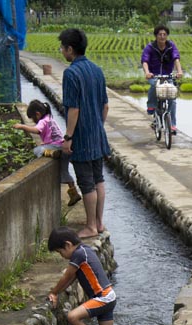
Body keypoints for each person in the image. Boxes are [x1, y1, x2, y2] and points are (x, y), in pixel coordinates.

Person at [59, 28, 110, 239]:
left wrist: (68, 137)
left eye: (62, 47)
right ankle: (99, 223)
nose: (62, 51)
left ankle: (89, 226)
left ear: (70, 49)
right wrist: (97, 125)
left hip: (82, 137)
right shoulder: (97, 70)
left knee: (86, 183)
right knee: (99, 179)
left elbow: (74, 109)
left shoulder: (71, 73)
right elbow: (105, 106)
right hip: (98, 134)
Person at [47, 227, 117, 325]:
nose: (61, 256)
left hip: (102, 298)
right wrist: (57, 292)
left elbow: (67, 277)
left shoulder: (78, 254)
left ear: (68, 245)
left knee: (73, 317)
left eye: (59, 251)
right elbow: (72, 278)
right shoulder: (86, 250)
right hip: (109, 296)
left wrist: (54, 292)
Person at [12, 100, 82, 207]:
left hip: (55, 147)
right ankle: (74, 193)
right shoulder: (50, 118)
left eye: (32, 118)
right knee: (64, 171)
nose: (33, 121)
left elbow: (36, 130)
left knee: (37, 150)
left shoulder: (42, 121)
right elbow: (52, 135)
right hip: (63, 146)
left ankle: (51, 153)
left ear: (37, 114)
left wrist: (22, 126)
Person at [141, 25, 183, 134]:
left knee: (172, 99)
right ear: (156, 36)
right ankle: (151, 105)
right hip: (154, 75)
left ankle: (172, 124)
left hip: (167, 75)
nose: (162, 36)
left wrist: (179, 71)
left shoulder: (171, 46)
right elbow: (145, 61)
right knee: (155, 85)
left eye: (164, 34)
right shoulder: (150, 47)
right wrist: (147, 73)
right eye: (160, 34)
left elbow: (176, 59)